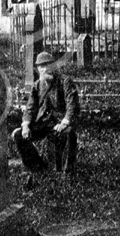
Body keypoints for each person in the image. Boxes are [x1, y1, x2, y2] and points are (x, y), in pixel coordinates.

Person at [12, 51, 79, 187]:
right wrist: (25, 126)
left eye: (48, 65)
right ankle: (38, 168)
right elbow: (30, 108)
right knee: (19, 135)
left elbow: (72, 106)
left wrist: (64, 122)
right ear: (38, 69)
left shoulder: (65, 82)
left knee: (68, 134)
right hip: (43, 123)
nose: (45, 69)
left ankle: (66, 175)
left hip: (60, 121)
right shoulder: (37, 86)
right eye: (41, 66)